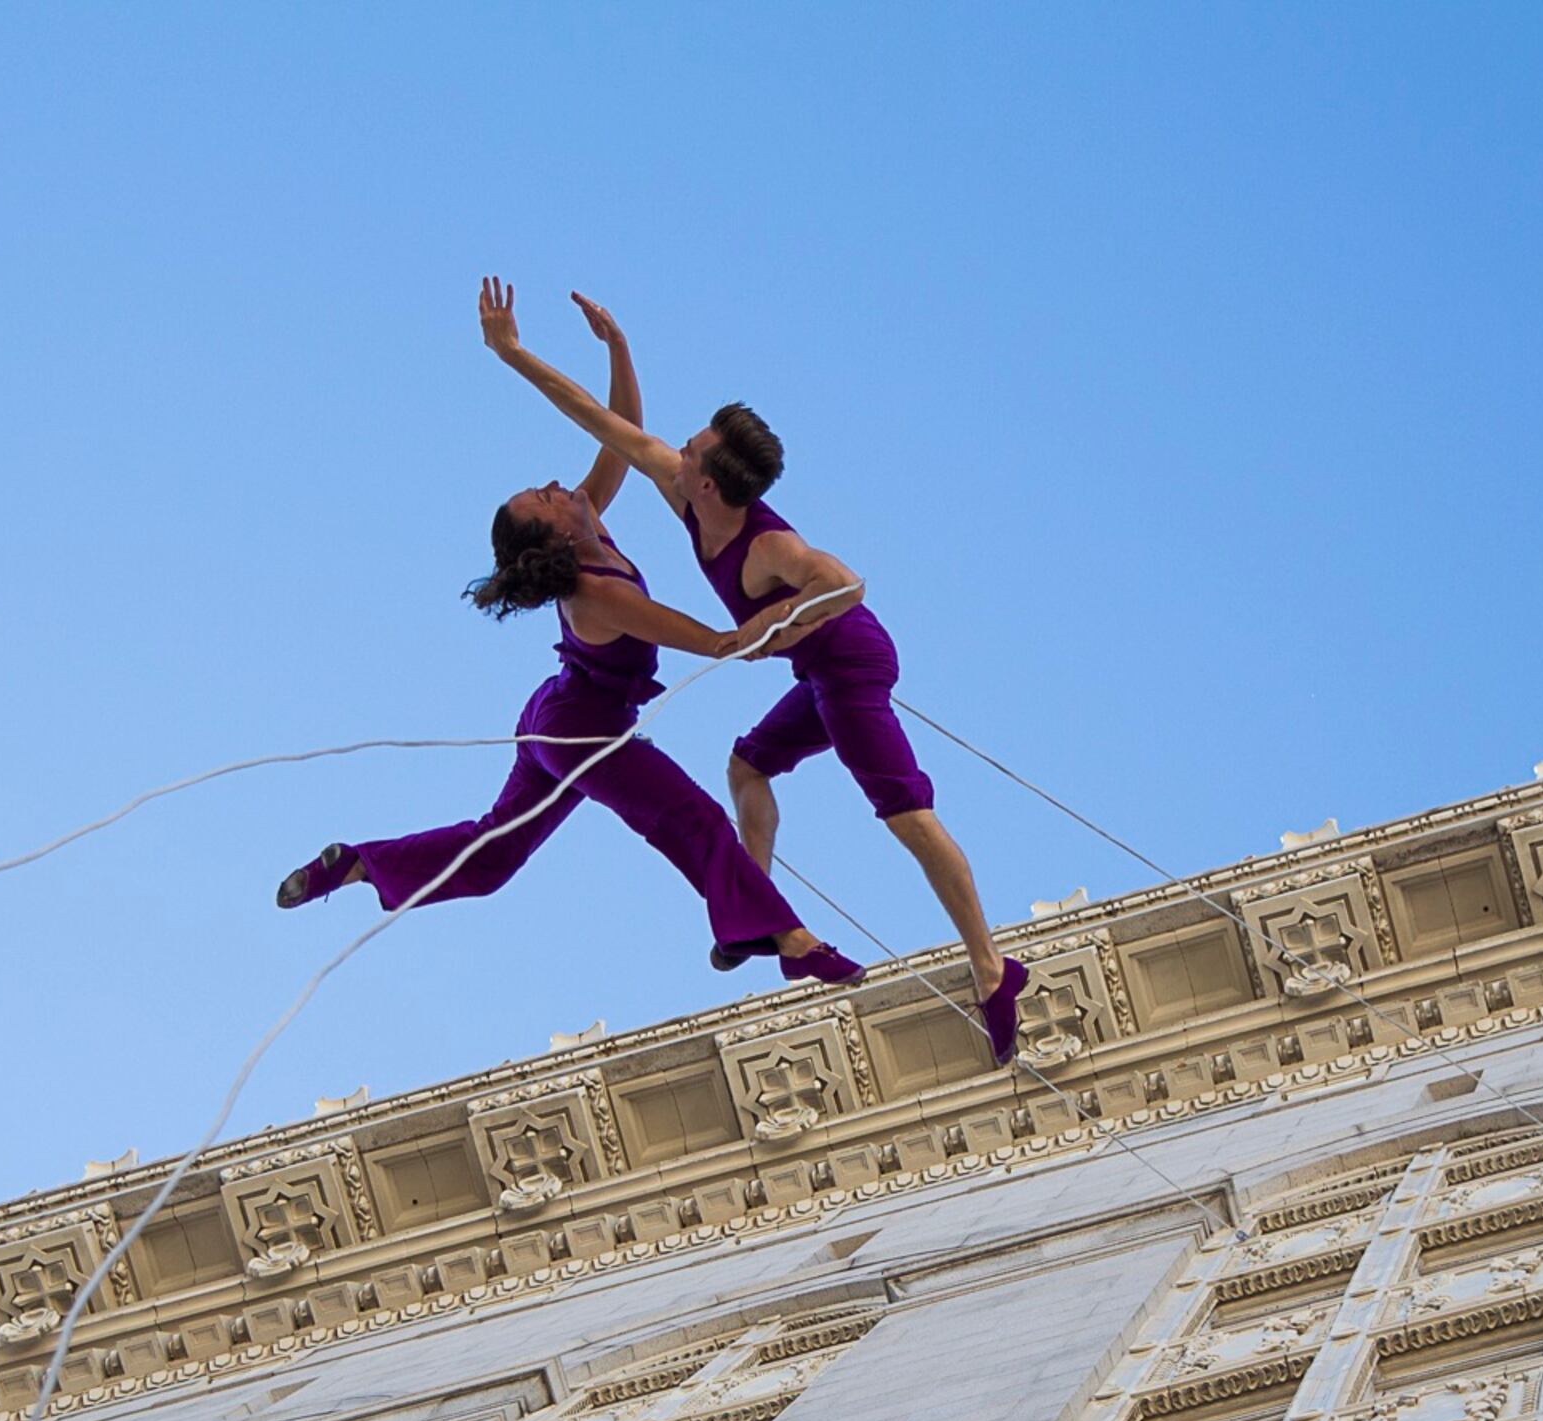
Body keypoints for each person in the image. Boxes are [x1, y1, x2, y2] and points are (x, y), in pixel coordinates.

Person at [478, 291, 1027, 1062]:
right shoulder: (684, 490)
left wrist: (769, 630)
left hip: (850, 666)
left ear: (707, 483)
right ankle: (756, 909)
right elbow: (600, 422)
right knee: (747, 766)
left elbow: (846, 585)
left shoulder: (771, 548)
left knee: (906, 816)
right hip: (812, 668)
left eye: (693, 449)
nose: (680, 448)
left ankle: (991, 969)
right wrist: (527, 352)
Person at [278, 286, 860, 988]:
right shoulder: (598, 592)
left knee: (492, 858)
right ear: (554, 531)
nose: (557, 484)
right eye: (544, 496)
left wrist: (616, 348)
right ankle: (794, 942)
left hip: (551, 717)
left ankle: (360, 863)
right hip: (580, 732)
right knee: (695, 822)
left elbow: (617, 429)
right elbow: (717, 644)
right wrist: (793, 613)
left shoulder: (593, 523)